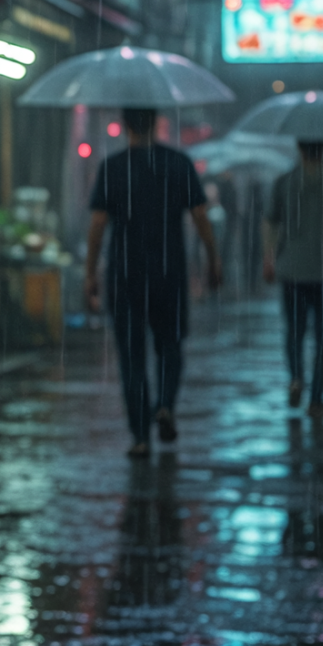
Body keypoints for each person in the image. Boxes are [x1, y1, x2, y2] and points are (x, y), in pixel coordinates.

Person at [83, 107, 222, 453]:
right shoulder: (178, 163)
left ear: (125, 125)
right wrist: (213, 259)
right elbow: (200, 215)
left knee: (131, 356)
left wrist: (90, 273)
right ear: (155, 123)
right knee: (170, 346)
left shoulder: (113, 167)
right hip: (168, 271)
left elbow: (98, 224)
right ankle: (165, 405)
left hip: (125, 274)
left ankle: (141, 437)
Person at [262, 139, 323, 415]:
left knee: (294, 330)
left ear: (299, 148)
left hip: (292, 268)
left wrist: (269, 258)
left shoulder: (285, 181)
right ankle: (317, 397)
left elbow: (270, 220)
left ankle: (296, 376)